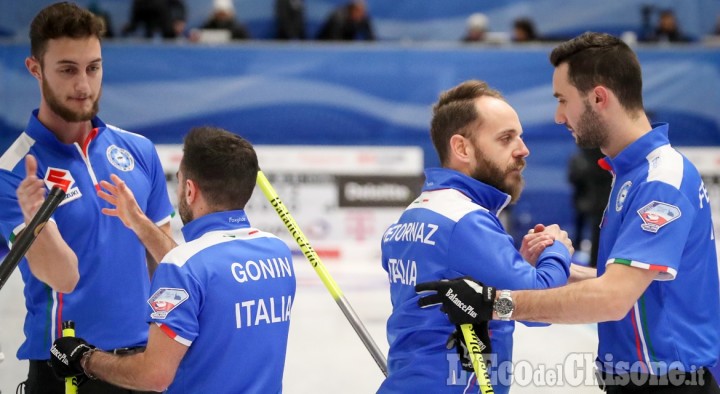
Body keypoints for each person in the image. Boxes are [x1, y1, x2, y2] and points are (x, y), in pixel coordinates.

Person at [416, 32, 720, 393]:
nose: (559, 116)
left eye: (563, 100)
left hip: (670, 381)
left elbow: (612, 299)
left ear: (598, 97)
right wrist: (563, 270)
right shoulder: (633, 174)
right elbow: (636, 283)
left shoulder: (660, 179)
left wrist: (495, 304)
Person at [0, 2, 174, 393]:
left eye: (93, 68)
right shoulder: (13, 172)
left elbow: (169, 264)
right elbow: (61, 278)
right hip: (65, 370)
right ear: (35, 69)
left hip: (143, 366)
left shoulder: (138, 150)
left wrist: (141, 224)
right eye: (67, 69)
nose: (83, 85)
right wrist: (36, 223)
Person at [48, 126, 297, 392]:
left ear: (190, 190)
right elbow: (204, 278)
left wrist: (85, 358)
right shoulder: (278, 252)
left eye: (178, 182)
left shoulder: (183, 267)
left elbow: (154, 376)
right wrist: (139, 221)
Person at [377, 80, 574, 394]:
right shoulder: (465, 221)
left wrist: (516, 265)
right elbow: (542, 306)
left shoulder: (414, 214)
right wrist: (558, 248)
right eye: (506, 138)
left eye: (519, 136)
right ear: (462, 148)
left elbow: (465, 294)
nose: (524, 150)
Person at [567, 147, 612, 267]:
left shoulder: (586, 158)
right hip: (594, 203)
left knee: (598, 238)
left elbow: (574, 177)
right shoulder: (585, 159)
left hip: (598, 204)